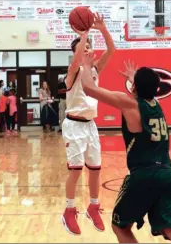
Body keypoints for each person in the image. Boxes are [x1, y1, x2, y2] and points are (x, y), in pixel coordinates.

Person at [80, 54, 171, 243]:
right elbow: (145, 89)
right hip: (169, 174)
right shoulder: (156, 104)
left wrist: (85, 65)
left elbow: (88, 88)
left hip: (144, 175)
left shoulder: (130, 103)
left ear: (133, 87)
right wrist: (134, 78)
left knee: (120, 226)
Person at [61, 13, 115, 235]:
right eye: (84, 47)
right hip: (73, 125)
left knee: (95, 170)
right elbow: (76, 60)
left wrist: (101, 29)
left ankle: (93, 206)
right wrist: (83, 36)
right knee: (76, 172)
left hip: (90, 125)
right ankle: (68, 211)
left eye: (89, 46)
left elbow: (112, 50)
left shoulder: (94, 70)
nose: (88, 48)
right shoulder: (72, 72)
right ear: (76, 52)